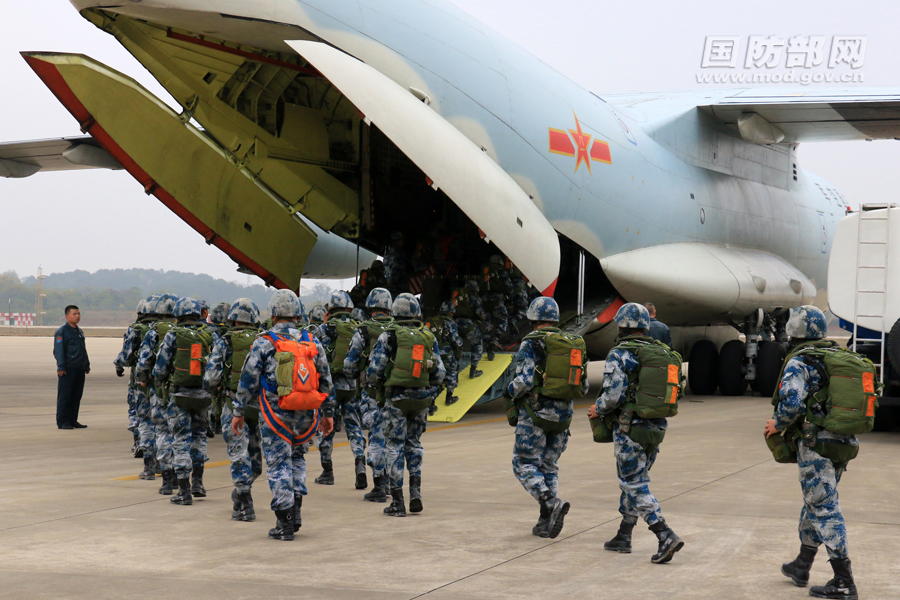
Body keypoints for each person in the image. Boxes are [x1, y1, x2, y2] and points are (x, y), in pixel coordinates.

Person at [764, 306, 862, 599]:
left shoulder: (800, 361)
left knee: (824, 508)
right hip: (843, 442)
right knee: (817, 504)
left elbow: (792, 404)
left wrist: (777, 424)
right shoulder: (837, 357)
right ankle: (801, 564)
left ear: (794, 330)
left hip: (815, 444)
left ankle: (844, 581)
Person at [232, 290, 334, 541]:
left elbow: (248, 379)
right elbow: (326, 380)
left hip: (276, 414)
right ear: (298, 313)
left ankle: (284, 520)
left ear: (273, 313)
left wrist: (238, 411)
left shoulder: (265, 341)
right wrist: (328, 413)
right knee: (298, 460)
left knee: (279, 464)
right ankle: (296, 510)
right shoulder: (313, 340)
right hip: (307, 413)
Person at [588, 302, 684, 563]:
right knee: (635, 480)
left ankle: (664, 534)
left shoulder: (620, 353)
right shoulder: (659, 351)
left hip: (630, 428)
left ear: (621, 325)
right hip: (656, 427)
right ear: (644, 326)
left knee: (634, 483)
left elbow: (613, 395)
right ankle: (624, 534)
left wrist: (598, 409)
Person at [505, 297, 587, 539]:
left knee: (523, 464)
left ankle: (550, 503)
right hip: (564, 416)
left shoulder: (530, 343)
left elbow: (524, 382)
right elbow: (582, 388)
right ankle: (545, 520)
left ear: (533, 318)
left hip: (535, 415)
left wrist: (508, 392)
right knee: (549, 465)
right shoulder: (572, 342)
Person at [366, 293, 445, 516]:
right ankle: (416, 494)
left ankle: (398, 502)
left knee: (394, 446)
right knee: (414, 444)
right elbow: (439, 373)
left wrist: (380, 385)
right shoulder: (427, 336)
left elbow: (374, 372)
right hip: (421, 400)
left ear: (395, 312)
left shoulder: (389, 336)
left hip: (396, 400)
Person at [152, 297, 219, 505]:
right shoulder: (212, 334)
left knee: (181, 441)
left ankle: (184, 490)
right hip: (204, 396)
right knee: (199, 437)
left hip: (180, 396)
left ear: (178, 314)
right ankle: (198, 482)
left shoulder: (173, 334)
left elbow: (160, 368)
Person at [205, 298, 263, 521]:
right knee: (256, 461)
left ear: (233, 319)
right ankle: (243, 492)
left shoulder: (224, 341)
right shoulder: (263, 341)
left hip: (232, 404)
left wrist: (214, 391)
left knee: (239, 455)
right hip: (259, 408)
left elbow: (211, 377)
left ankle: (245, 503)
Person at [344, 287, 394, 503]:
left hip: (373, 391)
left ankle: (379, 486)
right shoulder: (397, 329)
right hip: (395, 392)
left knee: (375, 435)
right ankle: (393, 483)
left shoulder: (363, 330)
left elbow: (350, 364)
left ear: (370, 306)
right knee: (392, 437)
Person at [313, 291, 366, 488]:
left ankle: (327, 472)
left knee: (326, 428)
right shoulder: (357, 329)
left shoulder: (322, 329)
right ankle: (360, 464)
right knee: (354, 427)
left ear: (330, 309)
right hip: (351, 386)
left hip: (329, 389)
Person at [135, 293, 179, 494]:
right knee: (179, 433)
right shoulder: (183, 331)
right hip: (181, 392)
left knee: (161, 431)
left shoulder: (153, 332)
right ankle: (184, 478)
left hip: (159, 391)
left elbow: (143, 362)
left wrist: (144, 380)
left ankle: (167, 478)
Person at [114, 297, 158, 477]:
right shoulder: (167, 330)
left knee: (140, 414)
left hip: (139, 380)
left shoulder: (136, 329)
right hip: (162, 383)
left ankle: (140, 444)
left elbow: (125, 356)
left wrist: (118, 364)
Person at [54, 305, 90, 430]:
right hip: (68, 368)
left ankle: (72, 420)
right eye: (74, 314)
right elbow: (58, 351)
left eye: (79, 314)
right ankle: (62, 421)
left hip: (79, 367)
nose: (77, 316)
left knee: (76, 395)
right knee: (65, 395)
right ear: (67, 316)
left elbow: (83, 350)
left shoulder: (79, 331)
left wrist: (86, 364)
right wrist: (61, 366)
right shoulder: (62, 331)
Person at [426, 300, 464, 406]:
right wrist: (461, 345)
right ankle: (449, 397)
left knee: (434, 375)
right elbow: (456, 340)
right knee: (452, 370)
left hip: (433, 352)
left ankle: (431, 401)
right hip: (446, 352)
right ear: (451, 311)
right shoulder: (449, 322)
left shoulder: (433, 320)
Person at [480, 255, 513, 360]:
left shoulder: (485, 271)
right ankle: (496, 338)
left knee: (488, 325)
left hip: (484, 301)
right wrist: (511, 299)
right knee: (503, 320)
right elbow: (509, 286)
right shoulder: (501, 271)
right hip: (497, 300)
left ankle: (489, 348)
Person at [454, 279, 487, 378]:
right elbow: (480, 313)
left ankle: (454, 371)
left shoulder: (457, 295)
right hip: (468, 324)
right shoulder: (474, 296)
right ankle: (473, 370)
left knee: (457, 346)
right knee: (477, 343)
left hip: (454, 324)